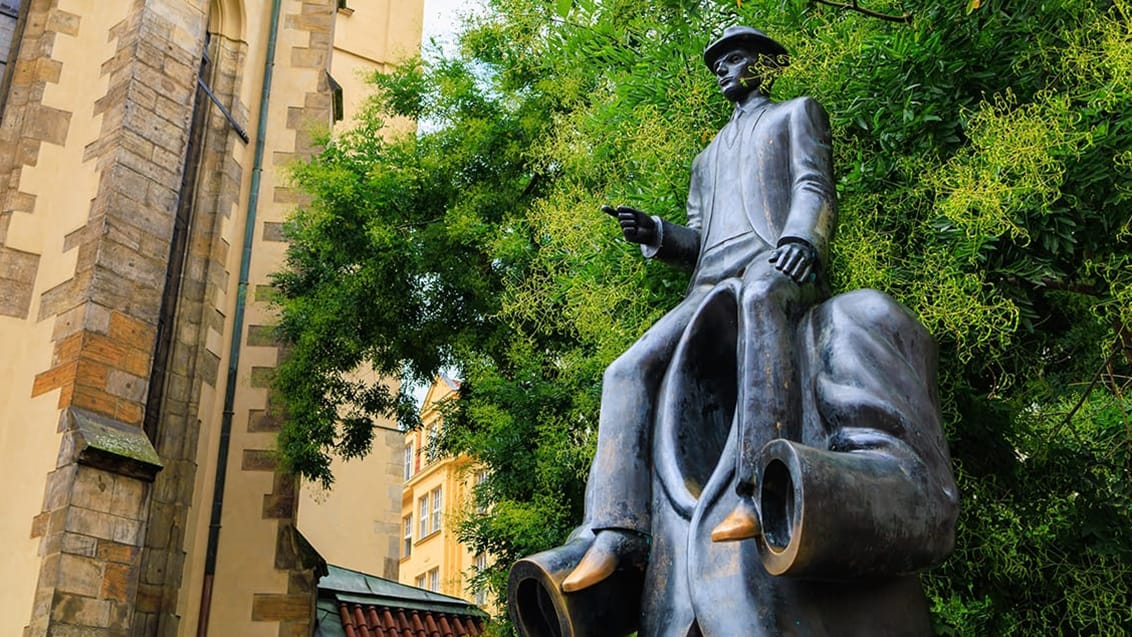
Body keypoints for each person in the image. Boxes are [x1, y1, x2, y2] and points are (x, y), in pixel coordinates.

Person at [561, 25, 837, 593]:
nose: (723, 69)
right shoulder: (706, 157)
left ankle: (761, 492)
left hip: (774, 262)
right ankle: (614, 530)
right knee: (626, 369)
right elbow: (699, 242)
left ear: (764, 65)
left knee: (761, 299)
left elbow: (814, 185)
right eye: (718, 62)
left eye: (734, 59)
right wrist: (657, 232)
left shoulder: (796, 114)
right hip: (709, 283)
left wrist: (802, 241)